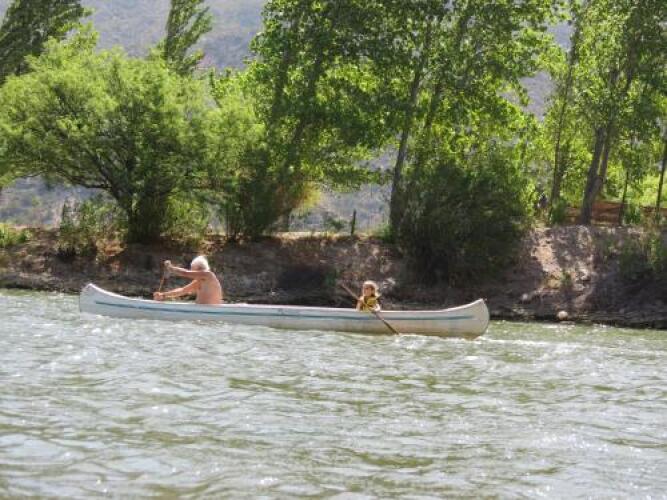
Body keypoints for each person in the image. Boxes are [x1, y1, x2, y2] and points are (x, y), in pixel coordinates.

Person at [153, 256, 223, 305]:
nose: (192, 272)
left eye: (193, 270)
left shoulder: (208, 275)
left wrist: (171, 268)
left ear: (199, 268)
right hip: (202, 312)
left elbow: (185, 273)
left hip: (209, 312)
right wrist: (163, 295)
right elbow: (182, 290)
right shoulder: (198, 281)